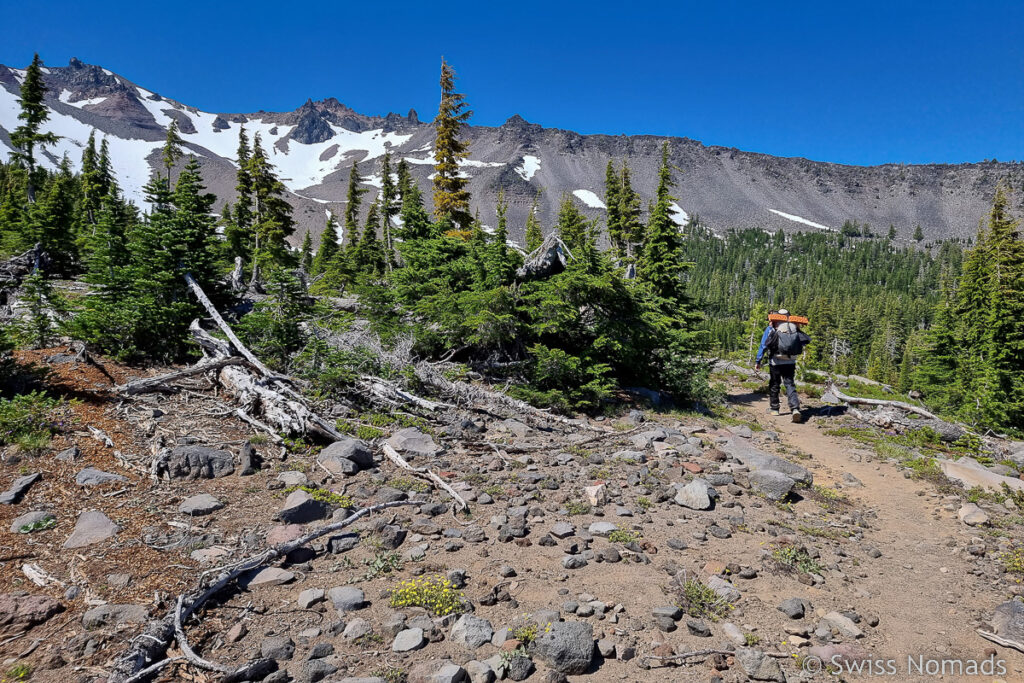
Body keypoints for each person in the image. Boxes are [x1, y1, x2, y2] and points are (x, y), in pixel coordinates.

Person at [755, 309, 805, 422]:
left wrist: (758, 360)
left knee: (774, 383)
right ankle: (795, 408)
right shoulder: (793, 326)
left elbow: (763, 345)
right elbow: (803, 341)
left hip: (775, 361)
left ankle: (775, 409)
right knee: (789, 384)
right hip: (790, 361)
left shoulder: (772, 326)